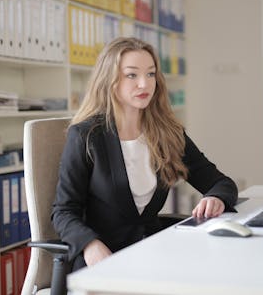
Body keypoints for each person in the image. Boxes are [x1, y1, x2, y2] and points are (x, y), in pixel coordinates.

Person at [52, 37, 238, 271]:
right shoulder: (86, 136)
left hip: (153, 253)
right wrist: (89, 245)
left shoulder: (168, 133)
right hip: (102, 260)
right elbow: (64, 211)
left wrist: (216, 198)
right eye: (132, 75)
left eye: (150, 74)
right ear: (109, 79)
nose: (144, 84)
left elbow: (221, 182)